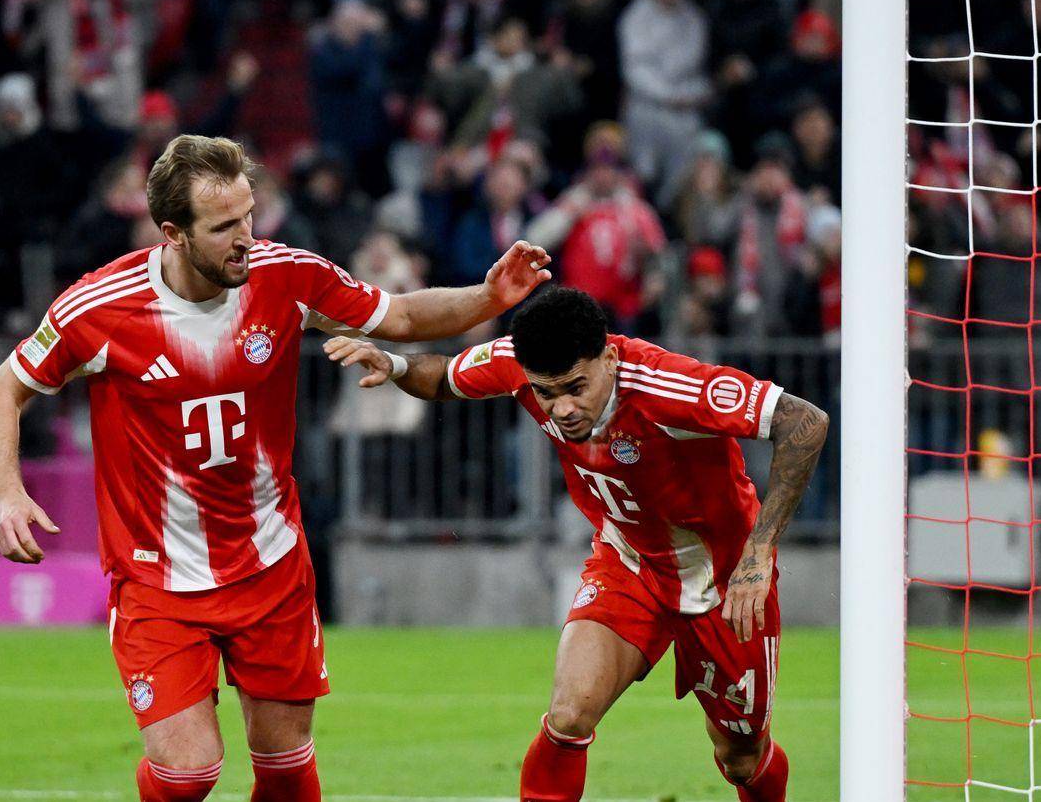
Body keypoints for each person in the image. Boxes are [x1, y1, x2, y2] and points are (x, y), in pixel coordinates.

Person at [0, 134, 552, 802]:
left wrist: (487, 296)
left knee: (284, 770)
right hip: (158, 578)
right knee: (187, 772)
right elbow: (1, 389)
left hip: (270, 567)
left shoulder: (289, 276)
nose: (245, 237)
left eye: (249, 215)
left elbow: (399, 315)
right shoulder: (100, 308)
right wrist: (8, 493)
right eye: (224, 227)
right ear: (174, 233)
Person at [323, 285, 830, 802]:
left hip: (724, 579)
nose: (562, 408)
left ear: (608, 358)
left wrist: (758, 554)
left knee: (741, 757)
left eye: (575, 387)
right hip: (629, 563)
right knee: (568, 717)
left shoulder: (671, 386)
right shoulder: (518, 362)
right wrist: (396, 366)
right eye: (546, 393)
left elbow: (804, 421)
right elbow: (445, 378)